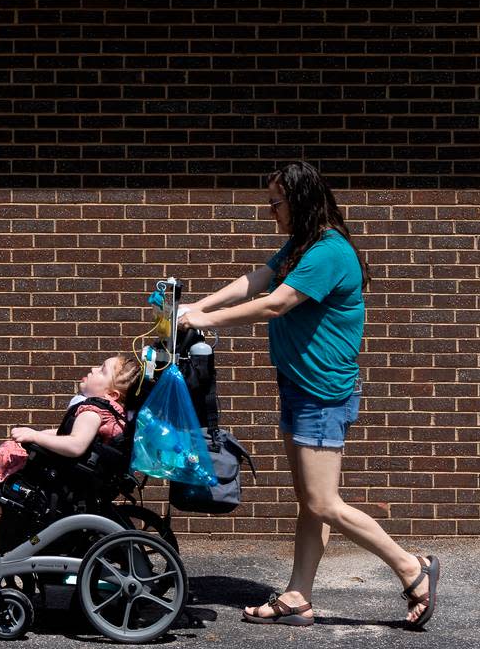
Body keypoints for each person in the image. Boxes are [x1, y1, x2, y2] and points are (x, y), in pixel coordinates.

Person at [177, 161, 440, 629]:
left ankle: (411, 567)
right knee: (309, 498)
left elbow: (277, 302)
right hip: (299, 385)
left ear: (298, 200)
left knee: (323, 502)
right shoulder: (302, 246)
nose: (271, 211)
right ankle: (298, 595)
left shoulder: (329, 251)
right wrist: (198, 305)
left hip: (322, 391)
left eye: (276, 202)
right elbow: (258, 279)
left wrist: (204, 321)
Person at [0, 354, 140, 494]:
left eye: (102, 370)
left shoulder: (93, 411)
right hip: (79, 471)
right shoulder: (107, 413)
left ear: (111, 394)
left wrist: (35, 437)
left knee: (11, 451)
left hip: (67, 475)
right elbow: (73, 435)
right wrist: (39, 433)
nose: (93, 369)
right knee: (15, 451)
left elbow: (76, 445)